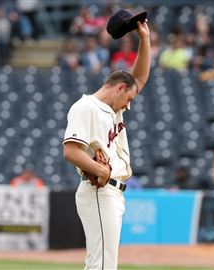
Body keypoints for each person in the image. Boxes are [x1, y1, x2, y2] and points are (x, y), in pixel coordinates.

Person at [63, 19, 150, 270]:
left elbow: (140, 79)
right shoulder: (85, 107)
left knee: (102, 263)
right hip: (100, 190)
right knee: (102, 265)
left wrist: (144, 40)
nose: (128, 104)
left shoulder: (114, 111)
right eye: (128, 98)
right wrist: (100, 170)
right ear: (120, 87)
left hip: (112, 192)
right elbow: (70, 151)